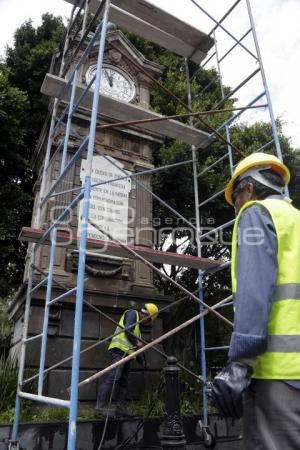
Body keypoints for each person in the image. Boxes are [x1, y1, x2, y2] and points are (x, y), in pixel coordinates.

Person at [212, 153, 300, 449]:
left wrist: (241, 364)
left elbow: (254, 292)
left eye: (234, 197)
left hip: (278, 375)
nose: (235, 206)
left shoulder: (256, 213)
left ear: (247, 189)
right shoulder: (296, 220)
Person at [95, 302, 158, 417]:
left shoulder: (137, 327)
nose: (147, 323)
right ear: (147, 316)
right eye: (148, 321)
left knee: (123, 381)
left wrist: (143, 363)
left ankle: (121, 409)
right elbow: (128, 330)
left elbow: (138, 349)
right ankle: (100, 407)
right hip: (119, 351)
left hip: (127, 354)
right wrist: (136, 342)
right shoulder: (132, 314)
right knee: (114, 376)